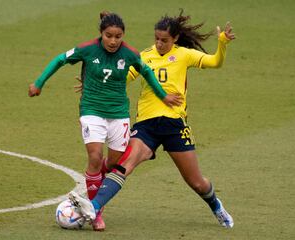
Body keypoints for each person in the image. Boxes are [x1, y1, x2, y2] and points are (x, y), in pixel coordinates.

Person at [69, 10, 236, 229]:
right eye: (156, 39)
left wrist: (222, 43)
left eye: (164, 40)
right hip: (146, 125)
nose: (159, 44)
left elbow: (215, 62)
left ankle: (215, 206)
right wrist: (95, 80)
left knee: (197, 182)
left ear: (174, 38)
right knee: (124, 166)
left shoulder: (185, 55)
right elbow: (122, 76)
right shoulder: (145, 55)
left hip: (175, 125)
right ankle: (95, 206)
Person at [28, 12, 182, 231]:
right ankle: (96, 213)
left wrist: (163, 96)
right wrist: (39, 83)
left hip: (119, 113)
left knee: (112, 164)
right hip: (92, 110)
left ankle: (94, 176)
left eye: (118, 36)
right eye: (108, 36)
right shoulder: (88, 48)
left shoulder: (130, 54)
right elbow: (60, 60)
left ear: (123, 36)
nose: (113, 41)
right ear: (101, 34)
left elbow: (146, 72)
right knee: (95, 155)